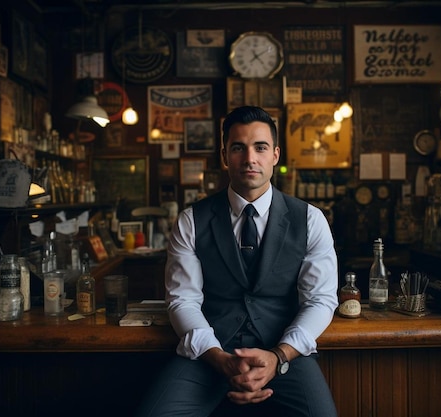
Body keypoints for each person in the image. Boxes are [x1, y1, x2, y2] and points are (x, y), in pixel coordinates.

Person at [136, 106, 339, 417]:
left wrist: (279, 356)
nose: (249, 159)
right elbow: (182, 301)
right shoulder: (191, 221)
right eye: (238, 148)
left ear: (275, 154)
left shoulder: (311, 219)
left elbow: (321, 300)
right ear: (224, 156)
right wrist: (218, 357)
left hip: (283, 355)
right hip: (209, 353)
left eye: (260, 147)